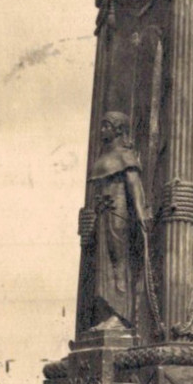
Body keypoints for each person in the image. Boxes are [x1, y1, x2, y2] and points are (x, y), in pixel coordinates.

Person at [79, 113, 154, 331]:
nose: (102, 131)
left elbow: (135, 187)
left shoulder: (125, 156)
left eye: (106, 126)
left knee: (118, 262)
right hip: (103, 215)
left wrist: (141, 215)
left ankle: (121, 316)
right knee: (103, 265)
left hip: (119, 215)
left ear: (118, 130)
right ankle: (108, 313)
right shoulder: (104, 158)